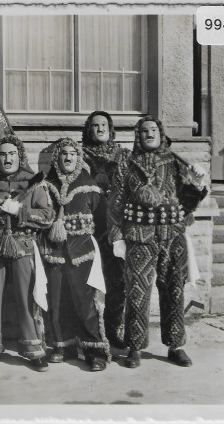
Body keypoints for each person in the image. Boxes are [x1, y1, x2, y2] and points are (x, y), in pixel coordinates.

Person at [108, 115, 207, 368]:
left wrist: (196, 180)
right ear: (138, 136)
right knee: (137, 291)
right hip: (139, 236)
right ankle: (135, 347)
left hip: (172, 235)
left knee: (174, 290)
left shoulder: (174, 163)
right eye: (144, 131)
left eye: (153, 130)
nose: (149, 134)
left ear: (161, 134)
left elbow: (189, 201)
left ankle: (175, 345)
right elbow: (116, 203)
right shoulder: (126, 164)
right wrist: (117, 235)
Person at [0, 134, 54, 372]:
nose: (7, 159)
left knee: (26, 297)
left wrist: (21, 210)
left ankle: (33, 349)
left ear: (20, 157)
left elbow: (47, 217)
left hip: (23, 247)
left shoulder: (34, 183)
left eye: (12, 154)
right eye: (2, 154)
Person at [38, 138, 111, 371]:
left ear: (78, 158)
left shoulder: (89, 185)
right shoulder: (45, 185)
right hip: (55, 253)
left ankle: (94, 349)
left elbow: (102, 221)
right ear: (56, 159)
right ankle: (62, 345)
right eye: (63, 154)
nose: (68, 157)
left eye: (72, 154)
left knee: (85, 303)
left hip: (82, 254)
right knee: (57, 301)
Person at [81, 111, 131, 349]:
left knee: (117, 281)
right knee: (88, 282)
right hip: (89, 228)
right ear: (88, 130)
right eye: (94, 126)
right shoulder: (79, 155)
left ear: (111, 129)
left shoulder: (123, 155)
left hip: (116, 229)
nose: (99, 129)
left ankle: (113, 330)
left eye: (103, 125)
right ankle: (90, 333)